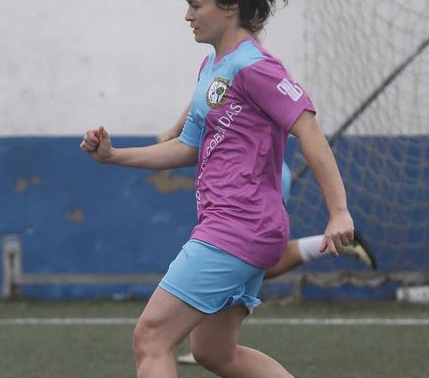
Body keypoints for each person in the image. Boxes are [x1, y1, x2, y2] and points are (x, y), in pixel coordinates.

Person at [75, 0, 363, 378]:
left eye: (195, 2)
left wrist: (338, 211)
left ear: (230, 6)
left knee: (151, 336)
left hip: (240, 228)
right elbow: (185, 147)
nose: (187, 14)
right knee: (212, 350)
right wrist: (113, 156)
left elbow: (308, 129)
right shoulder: (214, 67)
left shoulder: (256, 66)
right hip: (232, 226)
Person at [157, 112, 379, 365]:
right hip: (252, 174)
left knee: (235, 260)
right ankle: (212, 341)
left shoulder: (246, 74)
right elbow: (207, 93)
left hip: (252, 175)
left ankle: (213, 343)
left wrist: (174, 130)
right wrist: (175, 129)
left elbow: (214, 91)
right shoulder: (218, 76)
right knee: (245, 263)